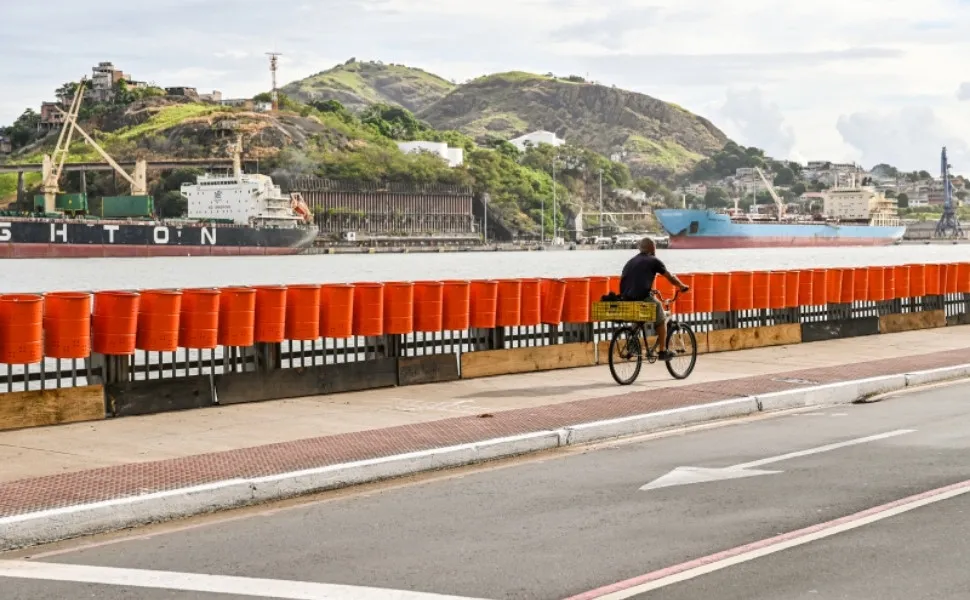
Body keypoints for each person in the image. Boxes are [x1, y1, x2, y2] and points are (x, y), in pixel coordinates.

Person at [619, 237, 689, 361]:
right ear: (652, 247)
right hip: (641, 298)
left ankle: (633, 344)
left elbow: (634, 280)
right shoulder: (653, 261)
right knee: (661, 317)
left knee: (639, 315)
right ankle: (662, 351)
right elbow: (670, 277)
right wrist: (682, 286)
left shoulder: (631, 261)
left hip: (626, 298)